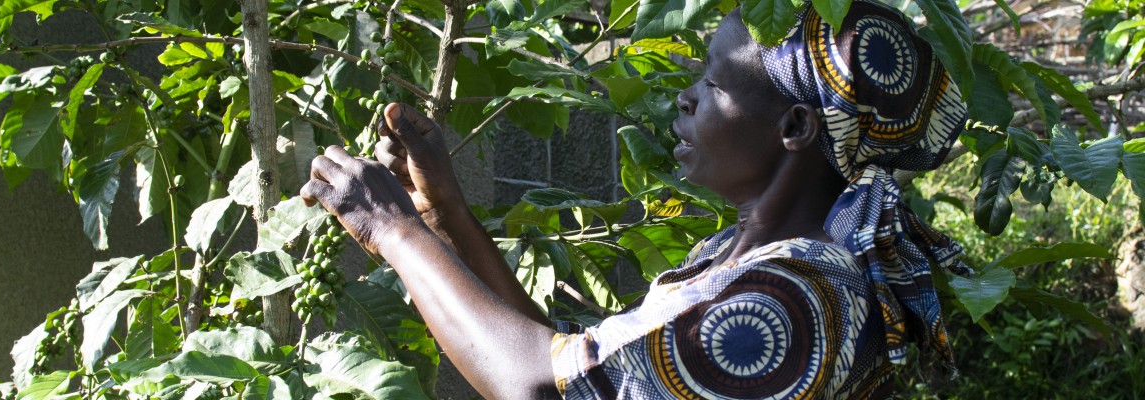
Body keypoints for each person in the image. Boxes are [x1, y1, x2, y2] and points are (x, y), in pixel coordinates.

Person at [299, 1, 971, 398]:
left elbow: (538, 388)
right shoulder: (736, 259)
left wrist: (392, 230)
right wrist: (441, 210)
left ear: (794, 128)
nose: (686, 97)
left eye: (712, 83)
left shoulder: (793, 300)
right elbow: (580, 367)